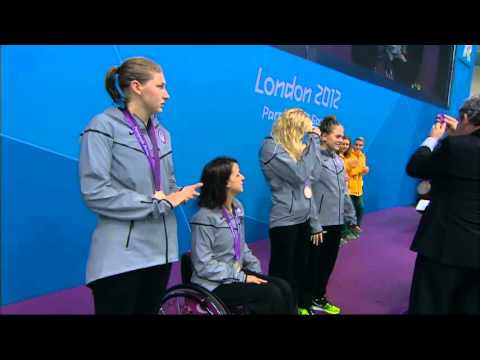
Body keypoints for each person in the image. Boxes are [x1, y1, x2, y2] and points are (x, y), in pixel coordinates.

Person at [79, 57, 203, 314]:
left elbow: (164, 187)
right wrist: (158, 203)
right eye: (160, 86)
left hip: (161, 255)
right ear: (136, 86)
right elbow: (95, 193)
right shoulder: (102, 126)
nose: (167, 95)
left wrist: (177, 194)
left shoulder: (163, 134)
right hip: (120, 260)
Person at [190, 157, 296, 314]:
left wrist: (255, 271)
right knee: (271, 294)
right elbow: (204, 265)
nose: (243, 177)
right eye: (238, 174)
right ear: (225, 182)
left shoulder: (237, 207)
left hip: (235, 274)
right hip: (214, 283)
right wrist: (243, 277)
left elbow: (241, 245)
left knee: (284, 287)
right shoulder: (204, 218)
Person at [406, 95, 480, 314]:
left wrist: (433, 139)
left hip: (443, 247)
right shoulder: (459, 145)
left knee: (429, 305)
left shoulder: (453, 146)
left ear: (465, 117)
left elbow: (416, 167)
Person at [259, 108, 322, 315]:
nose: (305, 136)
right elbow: (301, 175)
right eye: (302, 132)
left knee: (299, 272)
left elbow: (314, 175)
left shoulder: (295, 150)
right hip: (284, 222)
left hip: (302, 218)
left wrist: (314, 221)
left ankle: (293, 309)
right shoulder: (270, 147)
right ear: (292, 128)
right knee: (282, 275)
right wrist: (313, 140)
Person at [308, 116, 358, 314]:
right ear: (324, 136)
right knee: (311, 264)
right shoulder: (314, 158)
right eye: (337, 136)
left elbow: (343, 192)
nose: (341, 140)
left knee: (327, 264)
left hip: (336, 223)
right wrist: (314, 224)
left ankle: (319, 297)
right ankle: (303, 300)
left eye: (342, 136)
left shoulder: (338, 160)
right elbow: (306, 192)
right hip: (318, 224)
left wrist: (351, 218)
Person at [346, 137, 369, 237]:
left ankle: (356, 228)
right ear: (353, 145)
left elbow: (360, 171)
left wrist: (364, 171)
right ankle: (347, 232)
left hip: (359, 188)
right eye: (357, 145)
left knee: (360, 208)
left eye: (360, 145)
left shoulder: (363, 156)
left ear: (363, 146)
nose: (358, 147)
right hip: (349, 188)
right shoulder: (348, 155)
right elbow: (348, 172)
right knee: (349, 210)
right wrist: (360, 170)